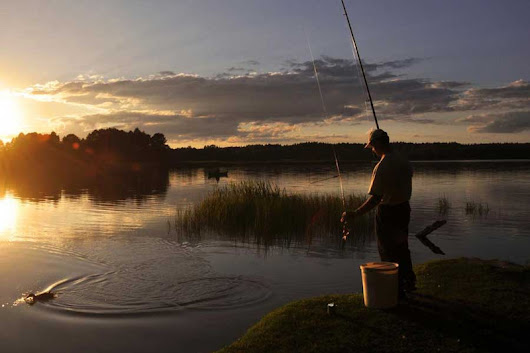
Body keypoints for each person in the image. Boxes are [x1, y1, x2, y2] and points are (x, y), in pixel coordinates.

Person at [341, 129, 416, 297]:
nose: (372, 150)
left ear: (378, 144)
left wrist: (355, 213)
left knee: (388, 251)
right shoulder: (403, 159)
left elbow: (376, 198)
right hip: (404, 209)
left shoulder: (381, 167)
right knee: (402, 248)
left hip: (388, 213)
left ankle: (396, 290)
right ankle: (408, 282)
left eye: (373, 146)